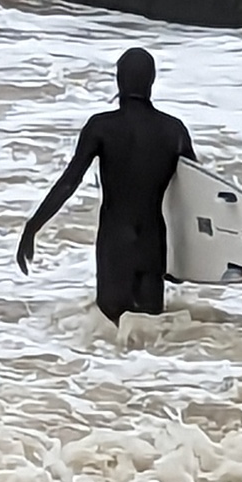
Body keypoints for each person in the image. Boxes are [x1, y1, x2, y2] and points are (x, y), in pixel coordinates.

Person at [16, 48, 195, 325]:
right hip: (153, 245)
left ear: (119, 80)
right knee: (151, 334)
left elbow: (68, 183)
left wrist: (33, 226)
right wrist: (187, 259)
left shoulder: (101, 127)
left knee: (113, 332)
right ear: (152, 81)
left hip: (116, 244)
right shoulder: (175, 131)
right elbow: (196, 196)